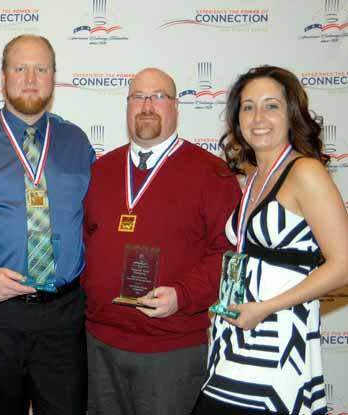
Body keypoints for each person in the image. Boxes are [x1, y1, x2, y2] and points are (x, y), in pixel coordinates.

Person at [0, 34, 95, 415]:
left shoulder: (77, 143)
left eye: (41, 69)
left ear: (54, 77)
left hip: (63, 316)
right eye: (20, 68)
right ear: (3, 76)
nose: (30, 78)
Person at [82, 67, 241, 415]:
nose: (147, 106)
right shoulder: (100, 171)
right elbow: (84, 245)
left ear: (176, 106)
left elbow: (230, 255)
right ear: (127, 106)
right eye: (138, 97)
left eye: (158, 97)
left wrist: (182, 295)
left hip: (172, 348)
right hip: (100, 343)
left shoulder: (212, 174)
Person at [194, 66, 348, 415]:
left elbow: (343, 267)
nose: (258, 117)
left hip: (277, 346)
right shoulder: (254, 177)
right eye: (248, 107)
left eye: (271, 106)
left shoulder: (306, 172)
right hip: (234, 341)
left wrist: (264, 308)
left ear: (291, 113)